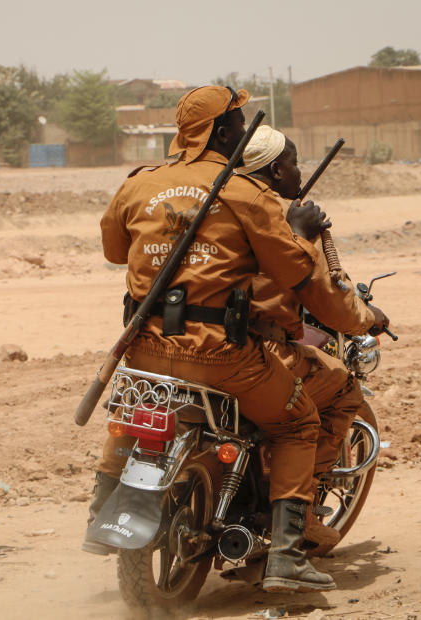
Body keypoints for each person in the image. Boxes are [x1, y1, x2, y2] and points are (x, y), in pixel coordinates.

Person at [86, 85, 341, 593]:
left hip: (145, 349)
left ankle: (102, 502)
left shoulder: (138, 184)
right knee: (296, 424)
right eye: (240, 124)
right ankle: (287, 556)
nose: (244, 132)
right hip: (221, 354)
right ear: (225, 133)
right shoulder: (244, 192)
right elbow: (293, 267)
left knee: (131, 415)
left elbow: (116, 250)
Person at [237, 126, 389, 553]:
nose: (300, 170)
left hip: (171, 341)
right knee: (338, 390)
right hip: (246, 350)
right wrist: (368, 318)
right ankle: (293, 517)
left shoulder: (215, 207)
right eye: (294, 162)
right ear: (276, 169)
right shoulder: (274, 223)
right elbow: (328, 299)